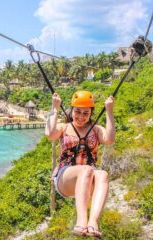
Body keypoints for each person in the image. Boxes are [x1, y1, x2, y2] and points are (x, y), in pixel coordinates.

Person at [45, 90, 115, 238]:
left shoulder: (95, 129)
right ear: (71, 111)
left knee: (102, 174)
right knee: (86, 170)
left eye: (85, 113)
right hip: (66, 177)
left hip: (88, 179)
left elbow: (109, 139)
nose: (81, 117)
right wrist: (55, 108)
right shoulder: (64, 128)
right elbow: (50, 134)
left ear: (91, 114)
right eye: (77, 112)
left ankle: (93, 222)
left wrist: (109, 110)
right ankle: (81, 221)